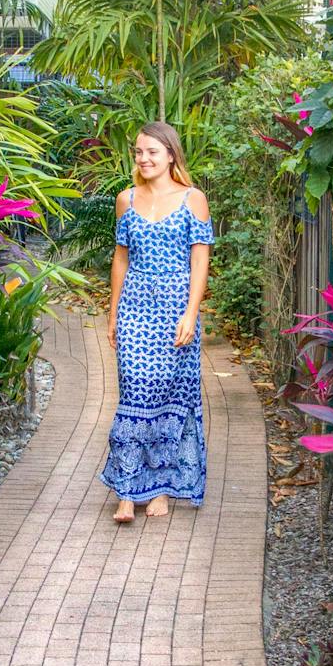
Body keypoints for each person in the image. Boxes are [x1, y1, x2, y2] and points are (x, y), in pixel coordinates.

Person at [99, 122, 214, 522]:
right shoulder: (125, 200)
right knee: (134, 393)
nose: (144, 159)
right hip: (134, 307)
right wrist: (113, 312)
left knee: (168, 397)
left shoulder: (192, 199)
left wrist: (191, 312)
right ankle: (128, 491)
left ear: (170, 155)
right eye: (138, 152)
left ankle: (162, 488)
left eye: (152, 152)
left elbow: (200, 261)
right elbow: (120, 259)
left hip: (175, 311)